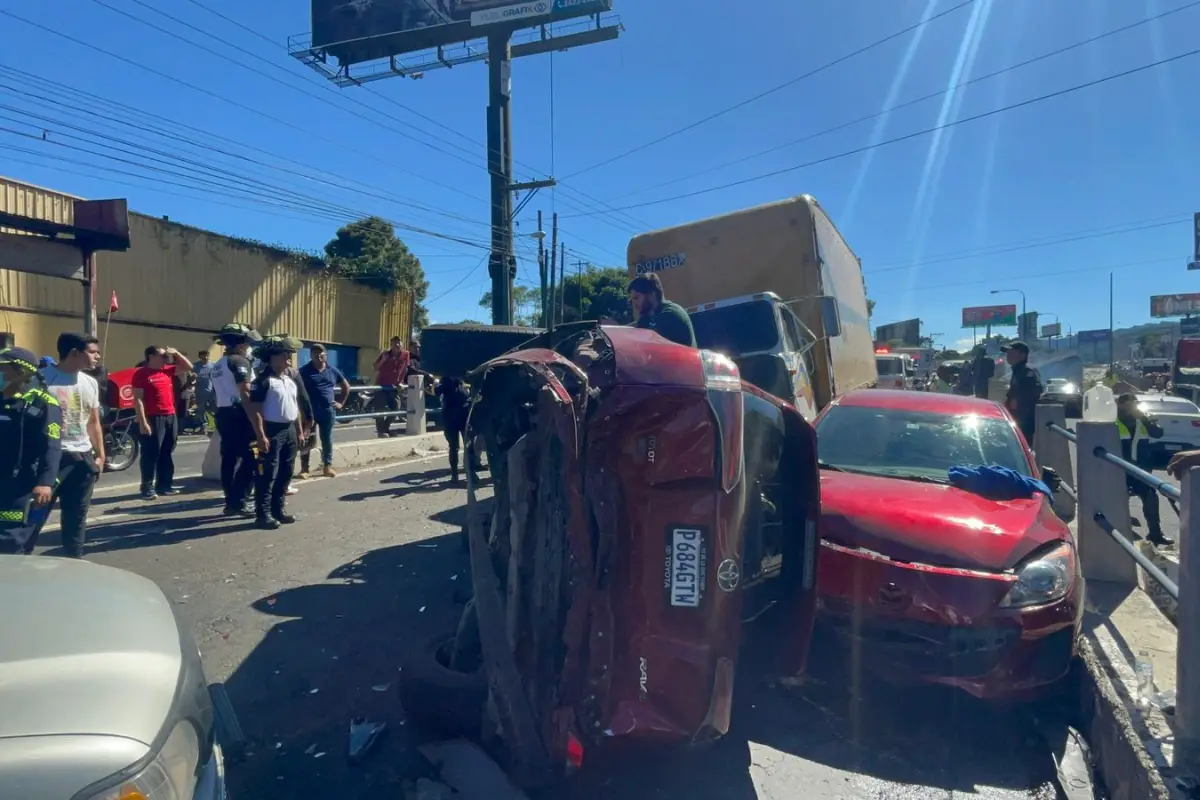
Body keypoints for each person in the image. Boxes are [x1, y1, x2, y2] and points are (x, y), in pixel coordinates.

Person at [40, 333, 105, 557]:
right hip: (50, 459)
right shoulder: (41, 379)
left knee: (77, 517)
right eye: (93, 351)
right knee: (34, 515)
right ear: (75, 353)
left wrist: (100, 455)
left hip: (82, 459)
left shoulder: (90, 382)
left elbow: (93, 421)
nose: (98, 356)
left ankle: (74, 561)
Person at [0, 347, 62, 556]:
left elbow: (51, 446)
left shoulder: (42, 403)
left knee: (11, 540)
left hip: (22, 483)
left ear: (21, 372)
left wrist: (45, 483)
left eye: (3, 368)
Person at [247, 336, 311, 529]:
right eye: (284, 354)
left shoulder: (289, 379)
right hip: (271, 430)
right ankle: (263, 513)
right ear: (272, 357)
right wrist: (260, 435)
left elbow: (295, 406)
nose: (288, 357)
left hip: (289, 429)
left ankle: (278, 509)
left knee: (286, 471)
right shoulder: (263, 381)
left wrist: (299, 430)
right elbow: (256, 409)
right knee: (267, 473)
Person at [212, 323, 262, 516]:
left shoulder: (219, 363)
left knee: (229, 459)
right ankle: (239, 501)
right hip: (240, 414)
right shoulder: (240, 362)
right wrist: (256, 419)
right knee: (252, 458)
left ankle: (230, 499)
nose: (250, 346)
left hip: (224, 413)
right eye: (248, 343)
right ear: (241, 344)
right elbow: (245, 392)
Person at [133, 345, 192, 500]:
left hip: (170, 415)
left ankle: (164, 485)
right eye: (162, 355)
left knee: (167, 451)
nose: (166, 358)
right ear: (151, 356)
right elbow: (138, 399)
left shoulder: (167, 370)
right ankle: (147, 487)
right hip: (153, 416)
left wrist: (177, 353)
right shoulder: (141, 374)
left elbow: (188, 367)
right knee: (151, 453)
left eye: (167, 356)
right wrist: (143, 422)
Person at [1117, 392, 1171, 547]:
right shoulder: (1113, 420)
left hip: (1141, 469)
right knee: (1118, 500)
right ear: (1119, 405)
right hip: (1120, 469)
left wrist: (1144, 419)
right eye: (1127, 404)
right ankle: (1121, 529)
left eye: (1133, 403)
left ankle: (1156, 534)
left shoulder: (1142, 420)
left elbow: (1158, 433)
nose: (1131, 406)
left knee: (1151, 499)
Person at [298, 343, 349, 479]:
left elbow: (346, 386)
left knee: (326, 439)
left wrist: (341, 403)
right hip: (310, 412)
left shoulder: (332, 370)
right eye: (315, 353)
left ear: (325, 355)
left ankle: (327, 466)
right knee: (308, 439)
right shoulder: (304, 371)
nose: (318, 356)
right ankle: (304, 469)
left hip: (327, 411)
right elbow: (296, 388)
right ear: (311, 356)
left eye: (321, 353)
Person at [627, 273, 697, 347]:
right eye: (632, 300)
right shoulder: (646, 318)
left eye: (637, 297)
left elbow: (650, 347)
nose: (634, 304)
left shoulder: (670, 314)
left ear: (652, 294)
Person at [1001, 341, 1043, 445]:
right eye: (1007, 352)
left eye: (1011, 352)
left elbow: (1036, 389)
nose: (1008, 355)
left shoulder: (1027, 371)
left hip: (1025, 421)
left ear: (1022, 355)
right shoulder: (1017, 371)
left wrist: (1018, 400)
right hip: (1017, 419)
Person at [436, 376, 475, 483]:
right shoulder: (462, 391)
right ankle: (471, 474)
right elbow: (469, 403)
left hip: (449, 421)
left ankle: (454, 474)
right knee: (468, 447)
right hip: (462, 421)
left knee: (453, 448)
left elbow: (436, 392)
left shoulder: (444, 388)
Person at [372, 336, 410, 438]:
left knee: (396, 408)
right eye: (394, 343)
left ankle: (386, 428)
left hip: (394, 387)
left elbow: (405, 369)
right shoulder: (385, 354)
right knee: (380, 408)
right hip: (381, 385)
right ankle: (381, 431)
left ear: (402, 344)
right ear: (391, 344)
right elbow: (375, 367)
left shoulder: (406, 354)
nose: (397, 345)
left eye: (399, 342)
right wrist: (383, 360)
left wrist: (401, 381)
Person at [193, 349, 218, 435]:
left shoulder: (213, 365)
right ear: (200, 357)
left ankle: (219, 424)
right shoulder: (195, 366)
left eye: (207, 355)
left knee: (215, 409)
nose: (206, 357)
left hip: (211, 392)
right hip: (200, 392)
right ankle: (204, 427)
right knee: (201, 410)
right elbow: (191, 377)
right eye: (204, 356)